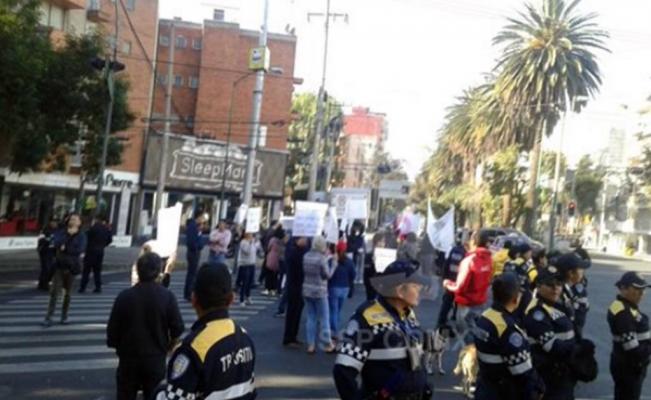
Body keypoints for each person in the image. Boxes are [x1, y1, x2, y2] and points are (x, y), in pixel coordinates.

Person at [333, 260, 433, 400]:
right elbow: (343, 371)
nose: (420, 289)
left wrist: (424, 385)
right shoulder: (367, 317)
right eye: (415, 286)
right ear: (399, 291)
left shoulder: (407, 313)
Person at [154, 264, 256, 400]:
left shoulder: (193, 349)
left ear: (194, 299)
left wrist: (159, 392)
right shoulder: (244, 337)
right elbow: (250, 390)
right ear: (232, 299)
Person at [107, 252, 184, 400]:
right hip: (155, 358)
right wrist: (168, 346)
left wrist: (119, 347)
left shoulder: (124, 296)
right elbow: (177, 328)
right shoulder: (167, 296)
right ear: (158, 272)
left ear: (138, 271)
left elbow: (113, 332)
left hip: (128, 358)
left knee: (125, 394)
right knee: (153, 395)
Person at [523, 265, 596, 400]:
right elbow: (552, 346)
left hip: (563, 375)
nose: (556, 289)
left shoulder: (555, 305)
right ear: (538, 286)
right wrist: (579, 349)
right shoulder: (536, 313)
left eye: (558, 284)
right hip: (550, 378)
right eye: (550, 285)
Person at [474, 273, 545, 400]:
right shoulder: (506, 328)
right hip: (503, 391)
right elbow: (521, 369)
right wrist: (538, 387)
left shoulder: (485, 316)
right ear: (515, 299)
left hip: (485, 385)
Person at [443, 229, 493, 344]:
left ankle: (469, 360)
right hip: (481, 304)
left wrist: (447, 283)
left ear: (473, 241)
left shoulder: (469, 260)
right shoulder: (489, 259)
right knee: (477, 336)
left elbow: (459, 287)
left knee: (467, 339)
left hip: (466, 305)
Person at [607, 271, 651, 400]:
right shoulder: (623, 312)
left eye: (643, 289)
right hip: (629, 366)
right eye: (637, 288)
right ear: (623, 288)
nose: (641, 293)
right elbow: (631, 347)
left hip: (626, 363)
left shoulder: (626, 306)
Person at [42, 213, 86, 327]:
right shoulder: (62, 232)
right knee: (54, 293)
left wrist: (66, 248)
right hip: (59, 265)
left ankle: (64, 316)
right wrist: (65, 244)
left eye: (75, 219)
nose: (73, 221)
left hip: (72, 267)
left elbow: (80, 249)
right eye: (71, 219)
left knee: (68, 294)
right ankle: (49, 316)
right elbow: (56, 243)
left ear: (80, 223)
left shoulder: (81, 235)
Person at [302, 235, 337, 353]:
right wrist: (333, 265)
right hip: (320, 291)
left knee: (311, 317)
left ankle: (310, 345)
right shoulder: (321, 258)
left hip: (307, 289)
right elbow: (327, 275)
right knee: (324, 318)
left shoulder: (306, 256)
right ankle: (328, 344)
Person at [283, 237, 310, 347]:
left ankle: (293, 336)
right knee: (292, 312)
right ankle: (289, 338)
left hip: (297, 285)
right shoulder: (294, 252)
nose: (306, 241)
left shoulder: (299, 251)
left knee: (297, 310)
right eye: (304, 239)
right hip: (294, 286)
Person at [556, 253, 591, 336]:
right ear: (571, 273)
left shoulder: (570, 289)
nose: (583, 271)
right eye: (581, 269)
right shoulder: (558, 293)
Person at [436, 238, 466, 328]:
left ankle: (441, 321)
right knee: (455, 301)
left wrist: (444, 278)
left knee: (447, 302)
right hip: (459, 281)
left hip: (450, 280)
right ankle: (453, 319)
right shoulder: (466, 253)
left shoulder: (453, 250)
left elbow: (447, 263)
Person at [504, 243, 537, 324]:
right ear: (525, 253)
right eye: (530, 252)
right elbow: (530, 281)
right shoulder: (526, 265)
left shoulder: (508, 263)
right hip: (521, 296)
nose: (531, 254)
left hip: (507, 294)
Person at [328, 240, 356, 336]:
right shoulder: (349, 262)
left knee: (333, 310)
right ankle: (335, 327)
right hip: (345, 287)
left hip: (333, 287)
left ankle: (333, 330)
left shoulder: (333, 260)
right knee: (338, 310)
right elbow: (353, 274)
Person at [79, 216, 113, 293]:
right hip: (100, 251)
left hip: (90, 250)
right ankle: (98, 287)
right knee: (97, 271)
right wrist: (103, 245)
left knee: (86, 270)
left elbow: (87, 237)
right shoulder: (106, 229)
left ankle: (82, 287)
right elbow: (110, 240)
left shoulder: (92, 228)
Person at [184, 212, 206, 301]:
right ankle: (189, 293)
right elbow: (192, 241)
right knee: (192, 273)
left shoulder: (195, 226)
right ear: (199, 217)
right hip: (193, 252)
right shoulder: (193, 226)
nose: (203, 220)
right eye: (202, 218)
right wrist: (198, 246)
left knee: (192, 273)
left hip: (195, 251)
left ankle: (189, 292)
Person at [238, 231, 260, 306]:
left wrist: (256, 241)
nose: (251, 235)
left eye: (251, 234)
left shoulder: (253, 241)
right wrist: (250, 243)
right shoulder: (243, 242)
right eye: (249, 234)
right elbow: (247, 251)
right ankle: (241, 299)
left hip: (252, 263)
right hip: (245, 264)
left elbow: (257, 248)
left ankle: (248, 296)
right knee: (245, 282)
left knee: (250, 282)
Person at [362, 232, 385, 301]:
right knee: (371, 303)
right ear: (376, 242)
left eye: (384, 241)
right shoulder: (370, 255)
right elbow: (367, 271)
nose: (383, 244)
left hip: (382, 284)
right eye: (381, 241)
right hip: (372, 284)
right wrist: (373, 263)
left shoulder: (385, 254)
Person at [36, 218, 58, 291]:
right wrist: (46, 241)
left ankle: (43, 282)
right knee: (46, 268)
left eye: (55, 223)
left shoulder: (57, 231)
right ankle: (44, 284)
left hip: (52, 252)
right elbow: (40, 241)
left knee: (51, 269)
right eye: (52, 222)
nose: (53, 224)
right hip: (45, 252)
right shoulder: (44, 231)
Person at [264, 227, 285, 296]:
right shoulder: (282, 241)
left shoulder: (273, 240)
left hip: (272, 256)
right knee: (276, 274)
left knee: (269, 273)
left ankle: (268, 288)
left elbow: (268, 247)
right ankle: (274, 288)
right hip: (279, 257)